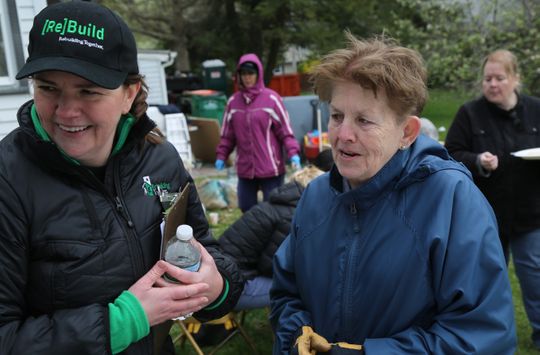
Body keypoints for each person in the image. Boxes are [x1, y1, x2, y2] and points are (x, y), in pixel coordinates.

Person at [0, 2, 242, 354]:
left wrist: (215, 284)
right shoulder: (9, 180)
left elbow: (204, 248)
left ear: (129, 94)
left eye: (88, 91)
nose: (66, 111)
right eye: (48, 88)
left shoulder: (159, 158)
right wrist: (120, 323)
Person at [270, 33, 516, 354]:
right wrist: (295, 336)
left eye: (364, 120)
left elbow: (483, 336)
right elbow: (286, 293)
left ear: (407, 132)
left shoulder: (452, 200)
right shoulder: (317, 195)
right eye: (337, 116)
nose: (343, 135)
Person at [445, 49, 540, 350]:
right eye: (488, 79)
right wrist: (477, 160)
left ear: (515, 79)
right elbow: (451, 154)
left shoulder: (536, 110)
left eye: (500, 78)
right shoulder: (470, 113)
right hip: (486, 214)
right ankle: (488, 337)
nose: (493, 84)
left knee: (536, 278)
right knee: (487, 282)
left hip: (531, 211)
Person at [215, 53, 301, 213]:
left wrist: (293, 152)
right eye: (244, 74)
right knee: (247, 208)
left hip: (271, 168)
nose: (247, 77)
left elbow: (285, 131)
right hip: (245, 169)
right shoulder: (233, 103)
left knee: (273, 210)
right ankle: (252, 239)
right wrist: (221, 155)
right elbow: (227, 136)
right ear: (239, 76)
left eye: (251, 73)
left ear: (258, 74)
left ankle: (275, 239)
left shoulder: (272, 99)